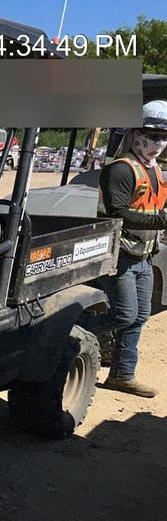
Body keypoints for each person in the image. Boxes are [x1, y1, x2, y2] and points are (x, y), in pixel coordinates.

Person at [96, 100, 167, 397]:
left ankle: (122, 375)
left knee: (139, 316)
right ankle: (66, 332)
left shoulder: (153, 170)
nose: (159, 143)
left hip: (144, 256)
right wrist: (161, 220)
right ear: (135, 132)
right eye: (153, 135)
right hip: (121, 255)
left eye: (164, 137)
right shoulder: (122, 170)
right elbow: (117, 213)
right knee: (124, 315)